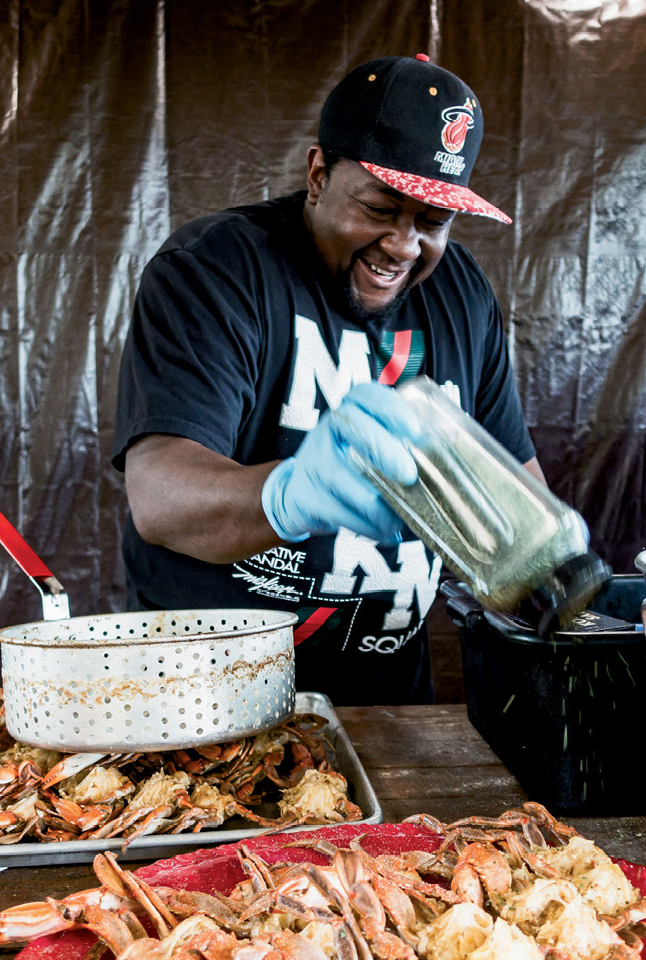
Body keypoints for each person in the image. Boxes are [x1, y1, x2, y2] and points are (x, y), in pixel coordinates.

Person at [112, 54, 545, 705]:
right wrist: (286, 495)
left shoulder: (462, 295)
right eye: (379, 208)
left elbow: (519, 487)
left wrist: (543, 546)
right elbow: (158, 493)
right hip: (202, 701)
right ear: (318, 175)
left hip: (386, 705)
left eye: (432, 222)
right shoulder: (216, 271)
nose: (402, 245)